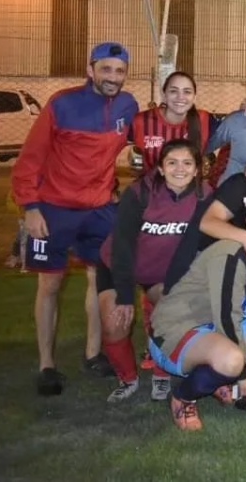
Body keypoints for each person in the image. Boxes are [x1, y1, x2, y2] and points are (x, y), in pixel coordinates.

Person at [11, 41, 139, 395]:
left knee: (99, 280)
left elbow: (154, 136)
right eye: (106, 69)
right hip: (53, 209)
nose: (113, 77)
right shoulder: (62, 103)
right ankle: (47, 365)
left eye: (120, 71)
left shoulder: (128, 106)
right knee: (50, 284)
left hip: (99, 209)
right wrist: (30, 207)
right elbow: (31, 158)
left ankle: (93, 353)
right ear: (91, 70)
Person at [150, 192, 246, 431]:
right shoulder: (231, 252)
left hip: (212, 329)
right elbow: (227, 317)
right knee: (233, 360)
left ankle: (220, 379)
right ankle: (184, 397)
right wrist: (245, 374)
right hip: (177, 331)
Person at [98, 139, 211, 403]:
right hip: (118, 264)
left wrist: (171, 290)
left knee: (170, 314)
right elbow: (123, 245)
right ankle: (127, 379)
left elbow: (195, 245)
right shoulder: (140, 193)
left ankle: (161, 373)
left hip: (161, 272)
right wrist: (125, 296)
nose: (179, 169)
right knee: (115, 322)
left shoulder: (204, 195)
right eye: (172, 163)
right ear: (160, 168)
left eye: (187, 163)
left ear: (197, 169)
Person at [130, 71, 215, 173]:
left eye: (187, 92)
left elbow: (235, 134)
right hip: (151, 187)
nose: (180, 97)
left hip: (191, 188)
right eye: (173, 91)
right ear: (164, 94)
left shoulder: (206, 120)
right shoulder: (141, 121)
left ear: (194, 97)